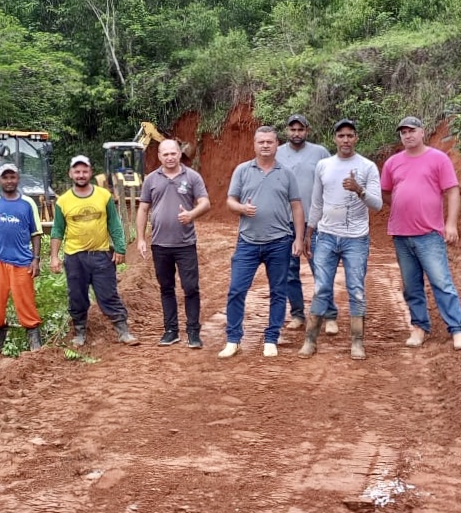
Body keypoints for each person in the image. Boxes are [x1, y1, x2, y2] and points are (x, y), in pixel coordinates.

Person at [381, 116, 461, 351]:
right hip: (401, 234)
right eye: (403, 132)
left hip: (429, 234)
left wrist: (450, 224)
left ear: (422, 132)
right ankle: (419, 327)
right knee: (411, 285)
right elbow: (387, 193)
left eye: (412, 131)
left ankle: (458, 329)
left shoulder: (438, 159)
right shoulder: (392, 163)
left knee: (441, 282)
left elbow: (452, 192)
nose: (407, 135)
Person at [220, 126, 305, 359]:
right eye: (261, 142)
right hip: (247, 241)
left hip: (280, 242)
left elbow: (297, 206)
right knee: (236, 290)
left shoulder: (286, 174)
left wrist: (298, 238)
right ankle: (233, 339)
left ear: (277, 145)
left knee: (278, 291)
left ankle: (271, 338)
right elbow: (230, 201)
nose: (265, 145)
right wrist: (241, 209)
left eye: (270, 142)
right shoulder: (242, 170)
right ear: (254, 144)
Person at [302, 119, 383, 360]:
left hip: (356, 238)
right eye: (341, 136)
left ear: (356, 138)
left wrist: (359, 189)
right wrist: (309, 233)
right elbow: (317, 202)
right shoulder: (324, 165)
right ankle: (310, 340)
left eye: (350, 135)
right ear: (334, 138)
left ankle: (357, 342)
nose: (345, 140)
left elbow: (377, 205)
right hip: (326, 236)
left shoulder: (367, 167)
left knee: (356, 289)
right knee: (321, 288)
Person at [49, 155, 138, 346]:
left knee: (108, 294)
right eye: (77, 171)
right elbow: (57, 230)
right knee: (77, 297)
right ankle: (79, 332)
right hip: (74, 258)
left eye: (84, 171)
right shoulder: (63, 201)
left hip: (101, 255)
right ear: (71, 173)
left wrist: (121, 248)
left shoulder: (103, 196)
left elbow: (114, 223)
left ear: (90, 172)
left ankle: (123, 331)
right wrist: (54, 256)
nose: (81, 175)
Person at [136, 139, 211, 348]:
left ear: (180, 154)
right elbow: (143, 209)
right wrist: (141, 238)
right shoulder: (151, 179)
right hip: (160, 244)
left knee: (191, 288)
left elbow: (205, 203)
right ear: (159, 156)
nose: (169, 157)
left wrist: (191, 214)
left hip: (185, 243)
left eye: (173, 153)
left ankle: (193, 332)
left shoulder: (192, 177)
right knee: (166, 288)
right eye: (165, 154)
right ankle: (171, 330)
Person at [0, 163, 44, 352]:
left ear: (18, 178)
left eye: (12, 177)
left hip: (22, 261)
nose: (9, 181)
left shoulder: (28, 203)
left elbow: (36, 233)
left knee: (26, 301)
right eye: (5, 177)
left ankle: (34, 344)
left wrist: (36, 259)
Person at [276, 114, 334, 333]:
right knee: (289, 271)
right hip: (284, 221)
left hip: (315, 222)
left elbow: (330, 181)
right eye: (293, 129)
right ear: (287, 131)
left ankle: (329, 315)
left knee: (320, 268)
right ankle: (298, 314)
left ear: (307, 131)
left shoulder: (320, 153)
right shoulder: (277, 153)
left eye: (300, 129)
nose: (296, 133)